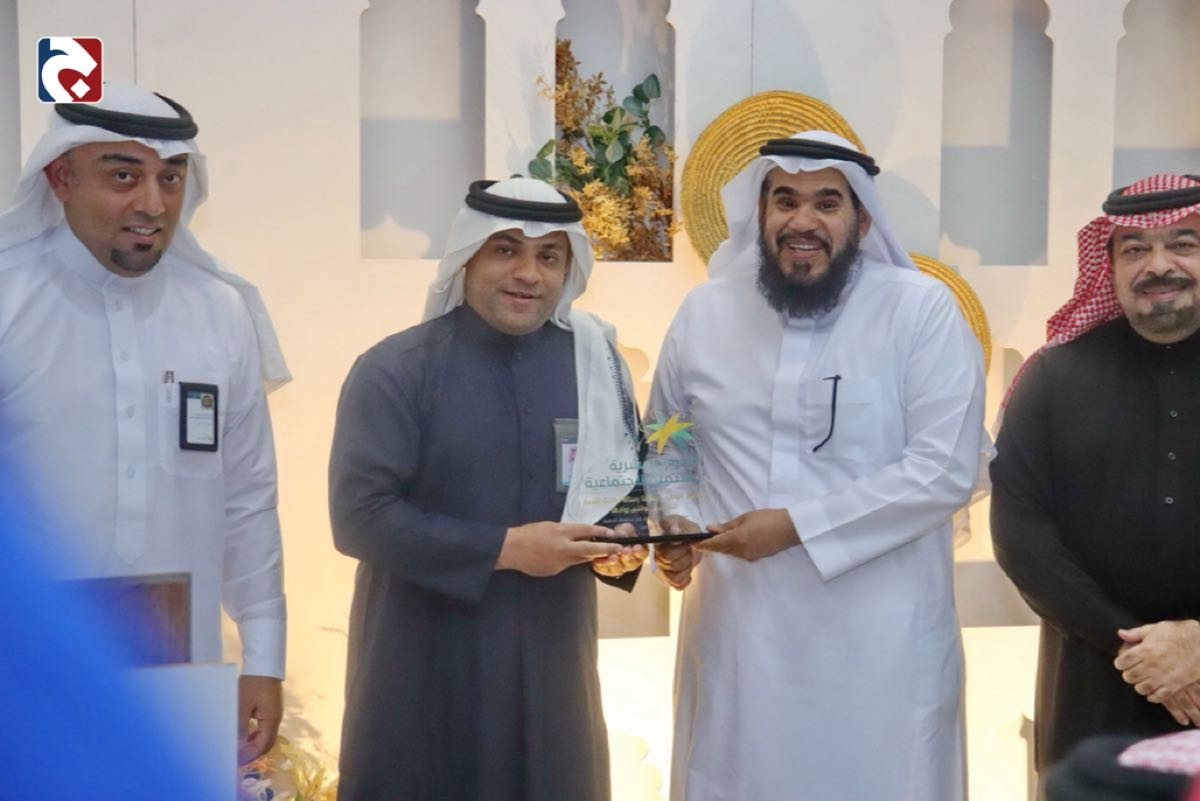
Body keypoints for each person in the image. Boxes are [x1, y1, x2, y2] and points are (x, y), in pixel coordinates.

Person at [651, 130, 987, 800]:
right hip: (740, 634)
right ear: (761, 212)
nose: (802, 220)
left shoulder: (920, 310)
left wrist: (796, 525)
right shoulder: (703, 313)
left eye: (826, 203)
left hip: (882, 646)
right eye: (785, 200)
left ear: (861, 220)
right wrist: (677, 520)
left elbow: (943, 469)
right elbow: (667, 441)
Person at [0, 82, 290, 763]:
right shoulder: (8, 299)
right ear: (61, 177)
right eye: (123, 176)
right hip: (26, 664)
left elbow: (248, 498)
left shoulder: (220, 311)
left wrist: (263, 656)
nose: (153, 204)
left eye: (171, 177)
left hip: (178, 667)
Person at [329, 178, 647, 800]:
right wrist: (504, 549)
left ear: (569, 269)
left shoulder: (597, 367)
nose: (528, 273)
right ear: (467, 257)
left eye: (549, 256)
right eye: (506, 250)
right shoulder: (396, 368)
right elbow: (360, 517)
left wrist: (626, 541)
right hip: (424, 668)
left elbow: (623, 492)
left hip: (554, 667)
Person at [991, 173, 1200, 772]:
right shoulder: (1051, 377)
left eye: (1183, 243)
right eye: (1135, 248)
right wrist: (1133, 650)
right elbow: (1021, 535)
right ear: (1107, 266)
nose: (1158, 265)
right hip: (1093, 689)